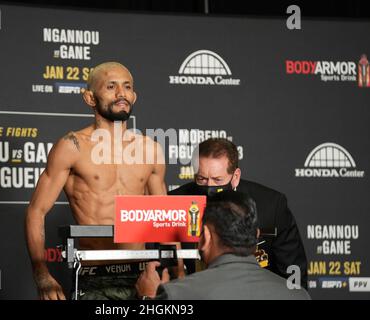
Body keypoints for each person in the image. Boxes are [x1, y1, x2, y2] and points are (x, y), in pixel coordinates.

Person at [25, 61, 176, 300]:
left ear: (134, 96)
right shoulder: (72, 147)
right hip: (94, 275)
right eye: (111, 87)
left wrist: (177, 273)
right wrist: (41, 273)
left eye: (127, 87)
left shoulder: (151, 150)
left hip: (142, 276)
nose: (121, 94)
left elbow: (165, 220)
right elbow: (36, 211)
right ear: (89, 98)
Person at [169, 138, 308, 289]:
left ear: (235, 177)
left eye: (217, 180)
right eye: (201, 179)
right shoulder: (173, 202)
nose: (209, 187)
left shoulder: (271, 205)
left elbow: (294, 276)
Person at [135, 191, 310, 300]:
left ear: (206, 237)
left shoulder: (175, 295)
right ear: (256, 236)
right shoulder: (298, 295)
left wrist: (148, 299)